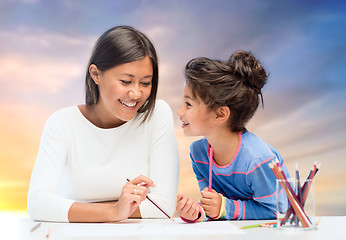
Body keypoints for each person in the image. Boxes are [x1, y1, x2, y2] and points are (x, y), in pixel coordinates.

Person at [27, 26, 179, 223]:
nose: (136, 94)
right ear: (96, 74)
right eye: (125, 81)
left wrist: (72, 208)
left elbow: (164, 206)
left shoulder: (157, 115)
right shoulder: (62, 124)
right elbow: (38, 204)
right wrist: (114, 211)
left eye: (145, 83)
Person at [175, 51, 290, 222]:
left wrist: (224, 207)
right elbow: (215, 206)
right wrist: (198, 212)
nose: (179, 111)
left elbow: (279, 211)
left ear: (221, 114)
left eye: (189, 104)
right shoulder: (198, 153)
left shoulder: (257, 159)